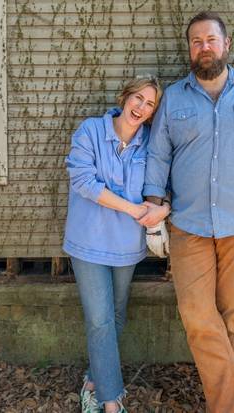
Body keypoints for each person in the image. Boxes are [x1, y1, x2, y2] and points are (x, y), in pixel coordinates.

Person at [139, 11, 234, 413]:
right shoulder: (174, 97)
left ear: (227, 45)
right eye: (196, 41)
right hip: (188, 225)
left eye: (211, 40)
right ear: (189, 50)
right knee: (197, 316)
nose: (204, 47)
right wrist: (154, 217)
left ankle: (222, 406)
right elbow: (158, 157)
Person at [64, 75, 164, 413]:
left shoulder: (150, 144)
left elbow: (166, 184)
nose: (141, 108)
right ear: (125, 98)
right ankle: (110, 400)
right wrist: (133, 208)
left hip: (126, 246)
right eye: (138, 98)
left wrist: (162, 209)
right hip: (88, 243)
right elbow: (83, 182)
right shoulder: (90, 131)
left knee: (116, 316)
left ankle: (93, 378)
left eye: (150, 104)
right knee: (99, 320)